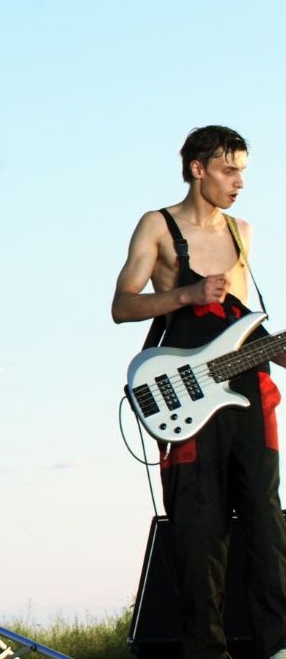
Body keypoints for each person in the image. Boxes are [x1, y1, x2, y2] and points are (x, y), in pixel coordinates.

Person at [112, 125, 286, 659]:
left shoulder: (242, 232)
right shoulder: (157, 225)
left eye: (243, 172)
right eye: (228, 171)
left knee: (265, 517)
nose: (239, 183)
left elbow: (242, 321)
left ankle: (278, 646)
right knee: (198, 526)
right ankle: (205, 650)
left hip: (247, 392)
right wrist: (186, 292)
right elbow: (121, 305)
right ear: (197, 169)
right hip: (186, 394)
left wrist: (275, 349)